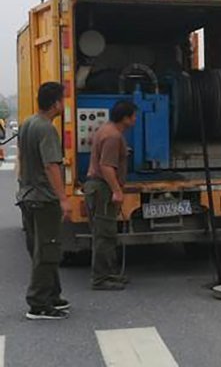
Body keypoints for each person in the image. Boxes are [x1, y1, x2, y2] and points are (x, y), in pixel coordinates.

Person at [17, 82, 72, 320]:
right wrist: (63, 199)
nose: (64, 103)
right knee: (48, 249)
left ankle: (52, 294)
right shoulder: (47, 129)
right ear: (55, 103)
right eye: (63, 99)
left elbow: (21, 158)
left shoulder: (28, 123)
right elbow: (51, 165)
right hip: (44, 198)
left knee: (39, 248)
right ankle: (38, 303)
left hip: (28, 196)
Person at [84, 100, 136, 290]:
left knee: (107, 233)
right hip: (102, 188)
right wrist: (116, 190)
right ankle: (100, 279)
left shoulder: (106, 129)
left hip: (98, 187)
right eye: (133, 116)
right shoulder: (113, 136)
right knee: (104, 235)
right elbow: (106, 166)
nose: (135, 120)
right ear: (125, 118)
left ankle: (109, 273)